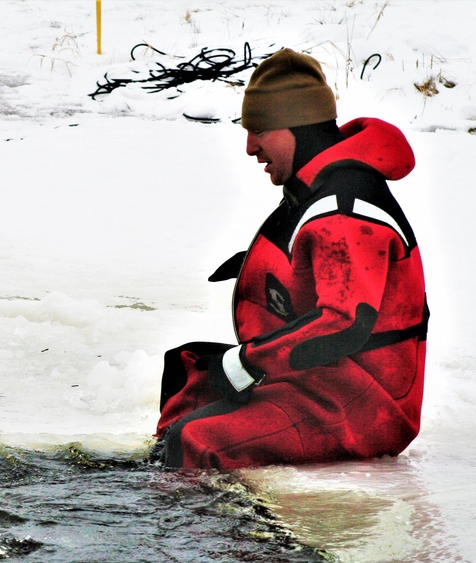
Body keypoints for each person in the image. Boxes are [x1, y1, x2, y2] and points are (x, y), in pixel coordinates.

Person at [152, 48, 428, 469]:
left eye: (258, 129)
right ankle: (157, 485)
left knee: (196, 439)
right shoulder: (324, 188)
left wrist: (248, 361)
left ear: (293, 126)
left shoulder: (344, 208)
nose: (250, 147)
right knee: (189, 371)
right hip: (326, 381)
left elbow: (346, 321)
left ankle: (178, 526)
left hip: (363, 403)